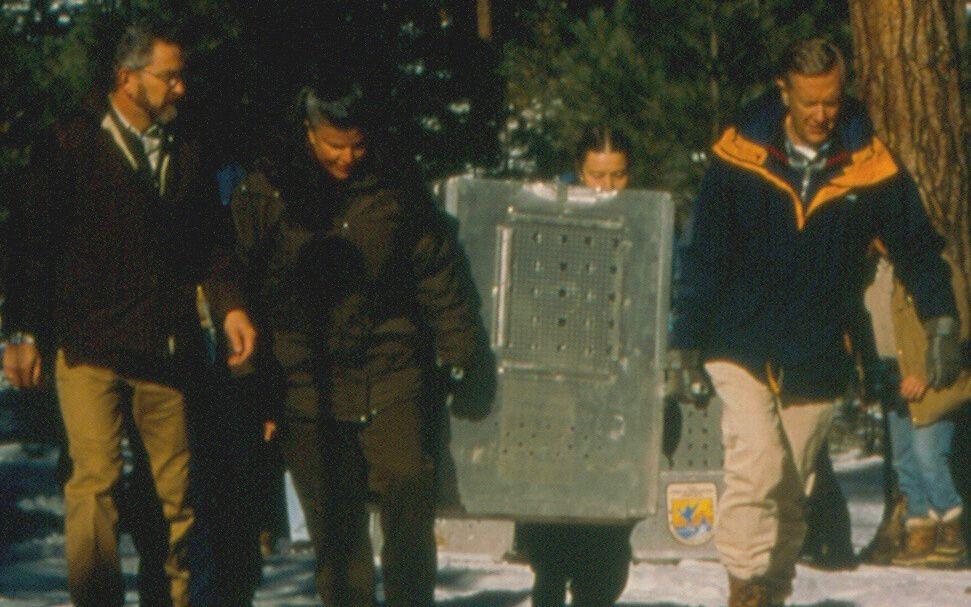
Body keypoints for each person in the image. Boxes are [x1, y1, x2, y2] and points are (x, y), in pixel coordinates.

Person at [669, 37, 960, 607]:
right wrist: (685, 342)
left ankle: (770, 592)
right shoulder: (740, 155)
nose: (823, 115)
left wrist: (941, 319)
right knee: (756, 466)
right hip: (740, 338)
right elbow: (703, 252)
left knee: (792, 486)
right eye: (810, 103)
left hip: (821, 347)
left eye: (832, 101)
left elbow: (917, 247)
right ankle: (745, 591)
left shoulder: (868, 163)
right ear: (785, 93)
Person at [1, 21, 256, 607]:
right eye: (169, 76)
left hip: (166, 349)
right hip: (87, 345)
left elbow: (212, 245)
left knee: (175, 500)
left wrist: (232, 305)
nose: (180, 89)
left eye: (182, 76)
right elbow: (29, 243)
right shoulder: (70, 142)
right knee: (96, 484)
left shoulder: (188, 148)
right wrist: (20, 331)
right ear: (126, 78)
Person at [230, 80, 487, 607]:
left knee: (409, 494)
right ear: (308, 131)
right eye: (333, 145)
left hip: (391, 364)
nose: (347, 157)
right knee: (338, 532)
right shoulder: (267, 190)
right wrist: (254, 388)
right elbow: (240, 282)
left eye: (357, 145)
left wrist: (465, 354)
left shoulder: (395, 184)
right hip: (306, 380)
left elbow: (437, 271)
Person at [513, 125, 635, 607]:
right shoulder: (550, 210)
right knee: (551, 512)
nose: (606, 188)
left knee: (608, 530)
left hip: (616, 383)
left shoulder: (644, 218)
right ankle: (547, 581)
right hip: (555, 376)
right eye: (596, 175)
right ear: (577, 171)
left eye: (618, 176)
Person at [884, 251, 971, 568]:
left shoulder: (935, 264)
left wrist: (926, 373)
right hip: (895, 375)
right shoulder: (880, 270)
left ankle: (951, 532)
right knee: (904, 460)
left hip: (933, 380)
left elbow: (956, 324)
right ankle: (920, 530)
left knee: (928, 455)